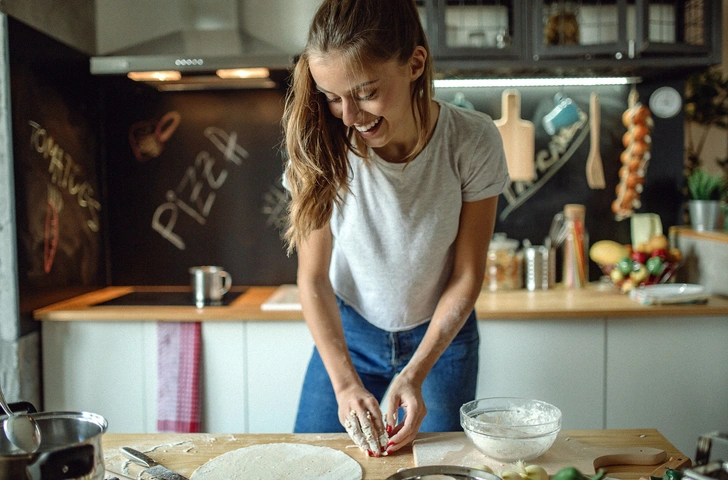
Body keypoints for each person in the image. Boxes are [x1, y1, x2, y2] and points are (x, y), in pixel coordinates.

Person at [282, 0, 509, 457]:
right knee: (312, 461)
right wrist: (346, 385)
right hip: (350, 334)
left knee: (440, 467)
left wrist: (416, 371)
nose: (348, 116)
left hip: (442, 341)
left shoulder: (473, 139)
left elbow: (467, 273)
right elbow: (312, 278)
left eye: (365, 92)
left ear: (414, 64)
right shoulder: (322, 146)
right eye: (331, 97)